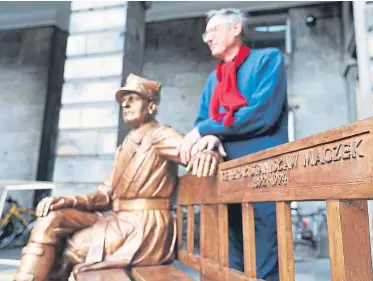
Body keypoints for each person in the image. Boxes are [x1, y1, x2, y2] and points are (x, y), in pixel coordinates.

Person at [14, 74, 221, 281]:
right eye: (124, 100)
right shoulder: (126, 145)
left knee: (74, 247)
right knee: (52, 218)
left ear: (151, 106)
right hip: (118, 219)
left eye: (134, 98)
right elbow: (105, 194)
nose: (126, 104)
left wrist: (205, 152)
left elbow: (191, 149)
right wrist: (66, 201)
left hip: (144, 226)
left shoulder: (160, 135)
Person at [178, 8, 289, 281]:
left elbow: (262, 114)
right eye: (206, 33)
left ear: (236, 28)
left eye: (213, 30)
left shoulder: (268, 59)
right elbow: (203, 123)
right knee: (230, 262)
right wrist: (210, 137)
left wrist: (208, 130)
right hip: (223, 179)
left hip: (264, 174)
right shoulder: (212, 80)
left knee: (267, 260)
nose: (207, 38)